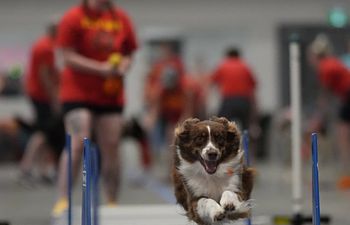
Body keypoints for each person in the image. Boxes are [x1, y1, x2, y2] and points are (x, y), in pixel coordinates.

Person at [52, 0, 137, 217]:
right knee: (78, 141)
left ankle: (111, 201)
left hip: (110, 94)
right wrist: (100, 69)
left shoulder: (121, 18)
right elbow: (67, 56)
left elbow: (129, 52)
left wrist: (125, 64)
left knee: (112, 145)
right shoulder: (73, 17)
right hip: (77, 92)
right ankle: (63, 199)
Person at [19, 22, 65, 186]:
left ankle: (43, 170)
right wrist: (54, 100)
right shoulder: (45, 47)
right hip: (42, 96)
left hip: (40, 94)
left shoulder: (49, 45)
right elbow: (45, 76)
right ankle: (27, 167)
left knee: (47, 134)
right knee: (43, 133)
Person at [308, 34, 350, 190]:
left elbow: (325, 97)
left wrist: (317, 118)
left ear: (315, 56)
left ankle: (346, 173)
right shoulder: (332, 63)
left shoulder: (326, 67)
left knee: (343, 136)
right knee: (342, 134)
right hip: (346, 99)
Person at [209, 46, 258, 131]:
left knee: (221, 126)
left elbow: (212, 83)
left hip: (228, 101)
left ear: (227, 56)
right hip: (244, 101)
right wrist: (254, 106)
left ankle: (225, 143)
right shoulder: (245, 67)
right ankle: (245, 143)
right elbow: (253, 87)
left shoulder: (223, 66)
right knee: (245, 127)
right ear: (238, 56)